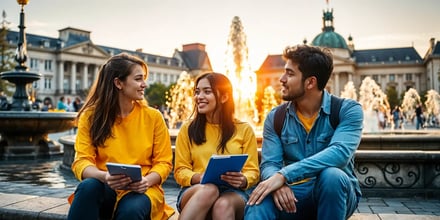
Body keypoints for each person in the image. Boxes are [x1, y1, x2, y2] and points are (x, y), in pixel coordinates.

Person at [245, 45, 363, 220]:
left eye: (290, 74)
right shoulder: (275, 117)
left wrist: (284, 175)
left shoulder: (348, 110)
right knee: (258, 199)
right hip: (292, 195)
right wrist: (276, 183)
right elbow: (269, 164)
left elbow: (340, 153)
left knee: (332, 176)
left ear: (310, 82)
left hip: (335, 195)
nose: (282, 79)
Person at [67, 53, 175, 220]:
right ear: (118, 83)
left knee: (130, 210)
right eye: (138, 79)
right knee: (88, 187)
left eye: (143, 79)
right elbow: (81, 161)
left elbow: (164, 162)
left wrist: (146, 181)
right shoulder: (91, 116)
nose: (144, 84)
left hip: (143, 189)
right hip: (105, 186)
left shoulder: (153, 117)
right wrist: (105, 177)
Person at [173, 72, 260, 220]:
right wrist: (198, 177)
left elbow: (253, 171)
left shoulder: (244, 129)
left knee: (223, 205)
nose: (199, 97)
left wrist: (243, 179)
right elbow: (180, 171)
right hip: (195, 190)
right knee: (209, 190)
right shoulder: (187, 129)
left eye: (207, 92)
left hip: (234, 192)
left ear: (224, 97)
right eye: (197, 92)